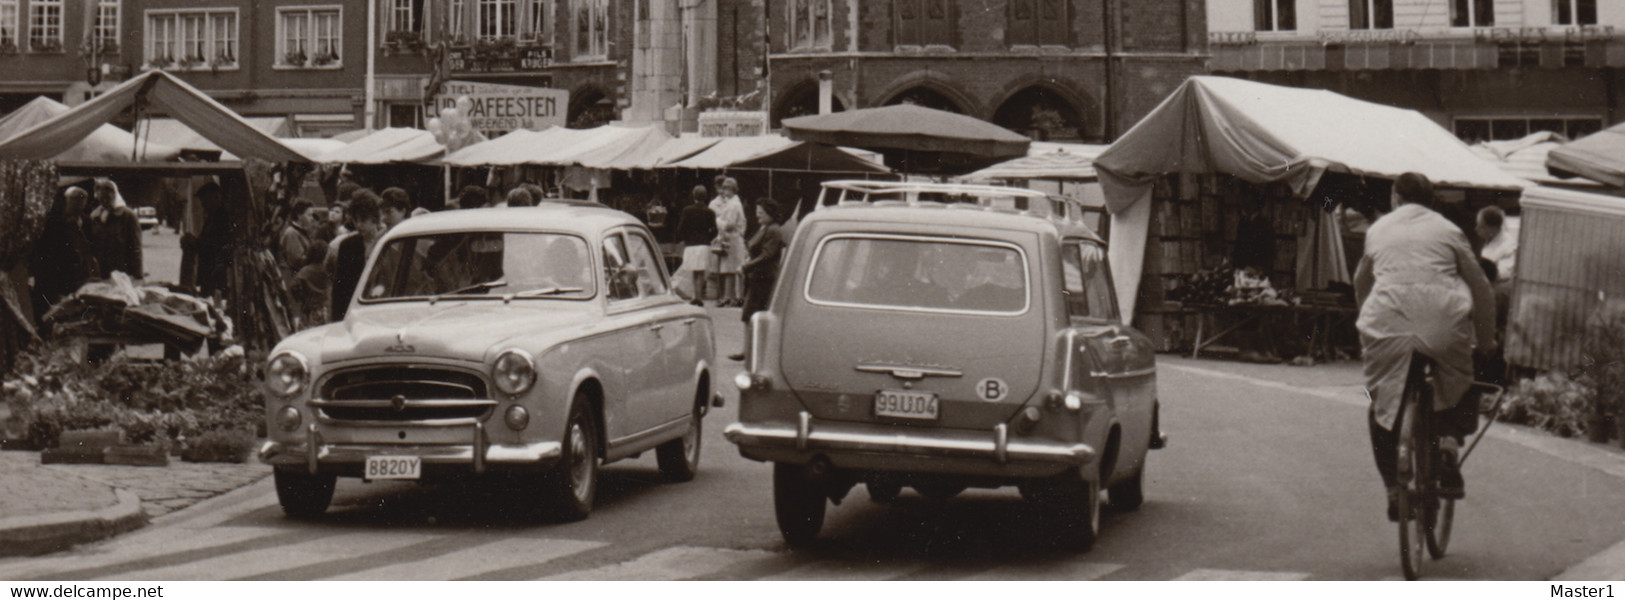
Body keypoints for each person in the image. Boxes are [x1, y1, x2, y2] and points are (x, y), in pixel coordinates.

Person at [1354, 172, 1497, 521]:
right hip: (1442, 323)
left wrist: (1368, 325)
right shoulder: (1449, 231)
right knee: (1460, 377)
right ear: (1431, 201)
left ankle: (1392, 490)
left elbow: (1361, 281)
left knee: (1380, 402)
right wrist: (1486, 341)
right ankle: (1448, 444)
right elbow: (1480, 287)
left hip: (1386, 323)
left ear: (1395, 198)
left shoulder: (1378, 229)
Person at [29, 187, 98, 321]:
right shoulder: (54, 222)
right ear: (66, 201)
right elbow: (46, 251)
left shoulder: (87, 221)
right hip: (58, 276)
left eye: (81, 200)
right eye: (73, 200)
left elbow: (90, 247)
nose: (78, 203)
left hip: (81, 275)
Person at [730, 199, 786, 361]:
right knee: (749, 314)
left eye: (761, 212)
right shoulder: (765, 228)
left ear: (770, 214)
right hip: (757, 277)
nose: (757, 215)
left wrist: (746, 266)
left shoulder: (773, 231)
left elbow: (767, 254)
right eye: (757, 212)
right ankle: (749, 349)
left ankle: (750, 350)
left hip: (764, 278)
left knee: (752, 313)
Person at [330, 191, 387, 321]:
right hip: (354, 308)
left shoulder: (385, 241)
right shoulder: (347, 245)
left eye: (363, 219)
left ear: (375, 218)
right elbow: (339, 286)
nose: (358, 225)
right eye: (355, 220)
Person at [85, 178, 142, 280]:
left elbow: (136, 248)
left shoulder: (128, 216)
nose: (104, 200)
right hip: (100, 272)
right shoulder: (94, 216)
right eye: (101, 197)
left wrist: (137, 274)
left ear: (115, 195)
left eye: (108, 197)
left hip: (122, 272)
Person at [673, 185, 717, 306]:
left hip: (691, 245)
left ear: (693, 196)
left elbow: (681, 228)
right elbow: (715, 230)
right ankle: (699, 297)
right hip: (704, 244)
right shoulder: (710, 212)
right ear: (705, 197)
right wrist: (708, 238)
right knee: (701, 272)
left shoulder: (687, 210)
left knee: (693, 271)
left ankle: (695, 295)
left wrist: (685, 238)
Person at [711, 178, 747, 308]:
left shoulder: (734, 204)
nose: (724, 191)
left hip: (733, 239)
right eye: (724, 188)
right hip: (729, 239)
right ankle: (730, 296)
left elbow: (730, 223)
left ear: (732, 189)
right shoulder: (731, 203)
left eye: (726, 188)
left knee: (732, 269)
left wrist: (718, 222)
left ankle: (733, 296)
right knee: (728, 269)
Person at [1476, 205, 1516, 283]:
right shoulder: (1489, 240)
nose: (1476, 229)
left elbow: (1502, 275)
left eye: (1481, 226)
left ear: (1493, 228)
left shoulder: (1509, 247)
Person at [279, 200, 319, 277]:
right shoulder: (292, 233)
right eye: (309, 215)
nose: (312, 219)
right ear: (299, 215)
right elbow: (296, 260)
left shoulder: (302, 232)